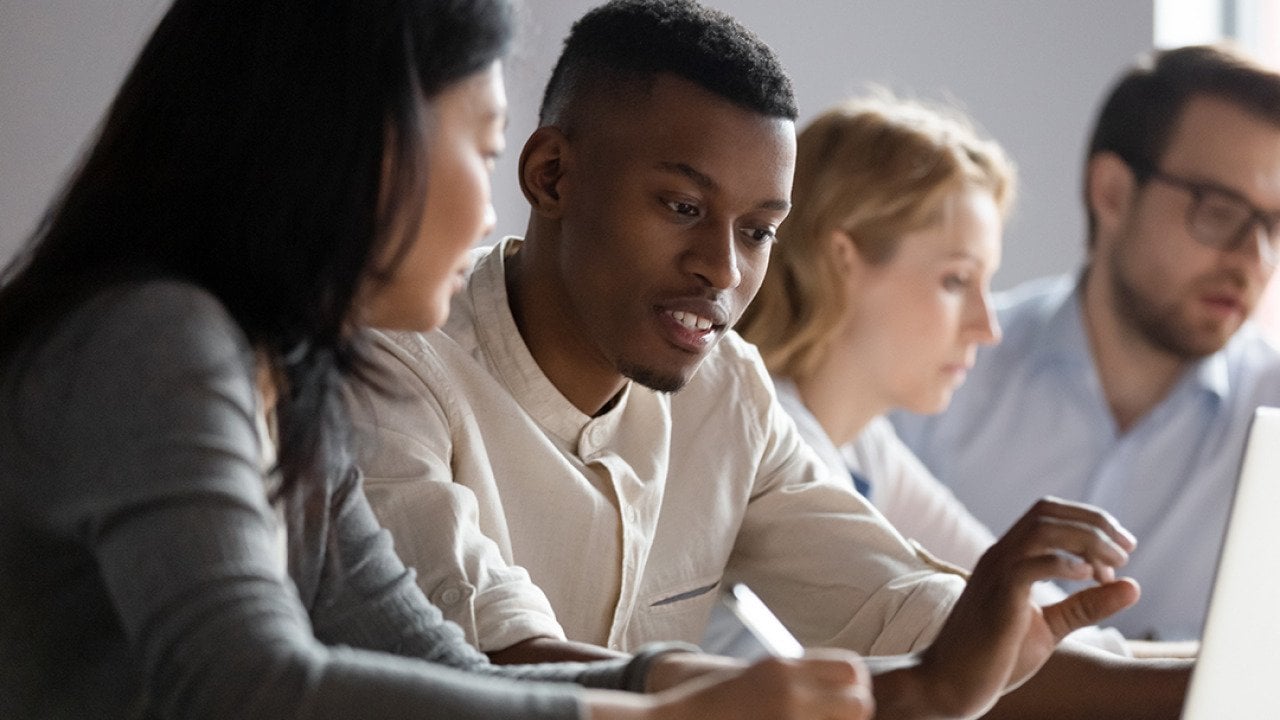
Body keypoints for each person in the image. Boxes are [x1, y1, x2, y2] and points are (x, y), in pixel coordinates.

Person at [0, 1, 879, 718]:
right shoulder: (157, 338)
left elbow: (440, 665)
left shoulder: (285, 376)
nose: (497, 214)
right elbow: (243, 683)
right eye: (487, 147)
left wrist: (656, 683)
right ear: (365, 141)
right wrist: (646, 714)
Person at [353, 1, 1190, 718]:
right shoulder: (397, 370)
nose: (722, 268)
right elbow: (497, 666)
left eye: (757, 232)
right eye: (683, 206)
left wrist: (1199, 681)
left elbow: (903, 613)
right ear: (550, 174)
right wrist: (915, 690)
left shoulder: (727, 390)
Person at [892, 44, 1280, 642]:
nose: (1254, 260)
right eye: (1220, 210)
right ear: (1113, 193)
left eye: (1275, 226)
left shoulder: (1273, 416)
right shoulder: (943, 369)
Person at [721, 94, 1127, 656]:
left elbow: (1040, 618)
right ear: (842, 260)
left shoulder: (864, 445)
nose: (988, 328)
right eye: (957, 281)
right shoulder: (763, 430)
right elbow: (963, 641)